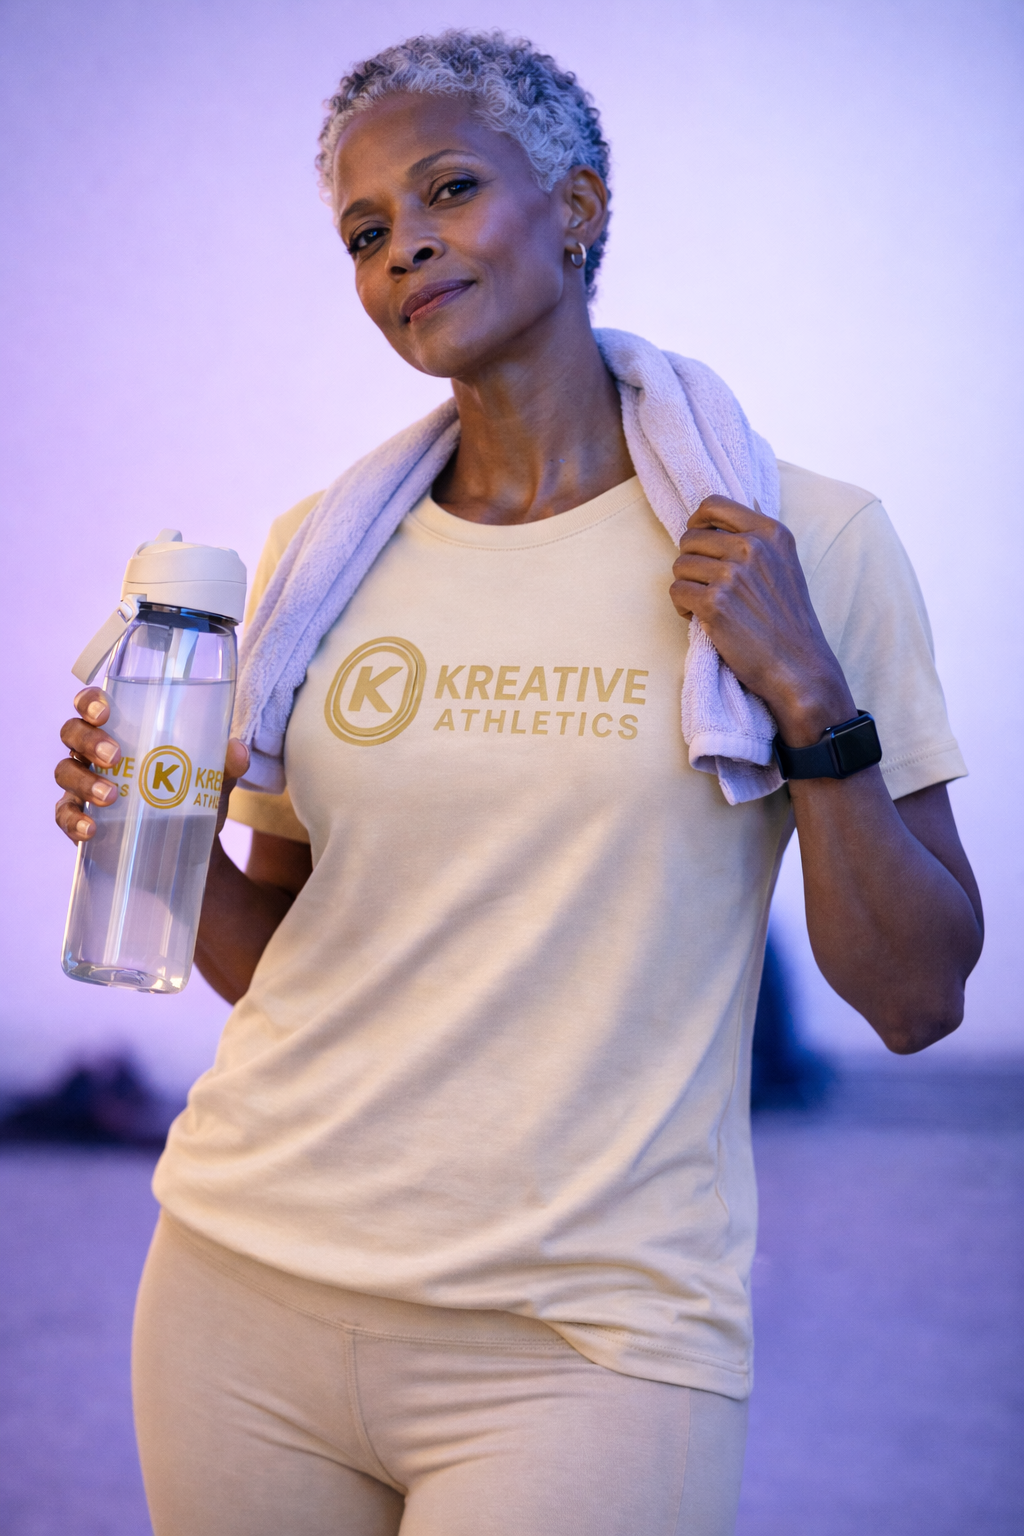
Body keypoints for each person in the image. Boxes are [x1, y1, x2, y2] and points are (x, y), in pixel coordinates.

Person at [53, 31, 983, 1536]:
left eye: (449, 189)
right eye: (364, 233)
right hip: (240, 1289)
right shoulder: (319, 554)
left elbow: (917, 997)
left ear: (580, 207)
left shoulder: (805, 542)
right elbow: (294, 964)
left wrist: (806, 690)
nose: (402, 243)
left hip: (590, 1346)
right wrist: (148, 841)